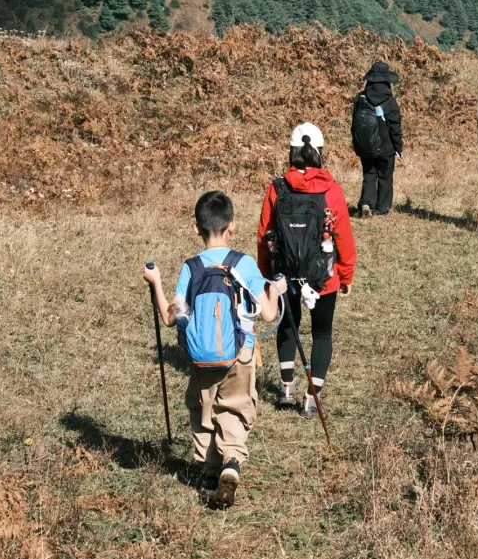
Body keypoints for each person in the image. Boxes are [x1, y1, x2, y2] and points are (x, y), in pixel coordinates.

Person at [142, 189, 286, 509]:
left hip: (201, 358)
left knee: (203, 408)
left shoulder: (191, 268)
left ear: (196, 228)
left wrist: (155, 281)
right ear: (232, 225)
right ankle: (231, 463)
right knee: (235, 406)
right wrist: (276, 290)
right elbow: (268, 314)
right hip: (240, 352)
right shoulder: (244, 263)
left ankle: (209, 472)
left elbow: (170, 318)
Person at [257, 122, 356, 418]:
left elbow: (265, 234)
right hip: (323, 276)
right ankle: (312, 398)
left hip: (284, 275)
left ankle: (286, 388)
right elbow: (345, 239)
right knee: (322, 333)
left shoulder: (277, 189)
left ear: (292, 152)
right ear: (320, 153)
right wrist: (346, 274)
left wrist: (266, 273)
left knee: (288, 326)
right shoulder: (332, 190)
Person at [351, 60, 403, 217]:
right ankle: (381, 208)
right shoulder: (390, 102)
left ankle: (366, 202)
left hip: (365, 145)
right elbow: (395, 128)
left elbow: (355, 123)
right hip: (385, 146)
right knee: (385, 177)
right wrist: (398, 147)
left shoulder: (360, 98)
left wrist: (357, 143)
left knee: (369, 174)